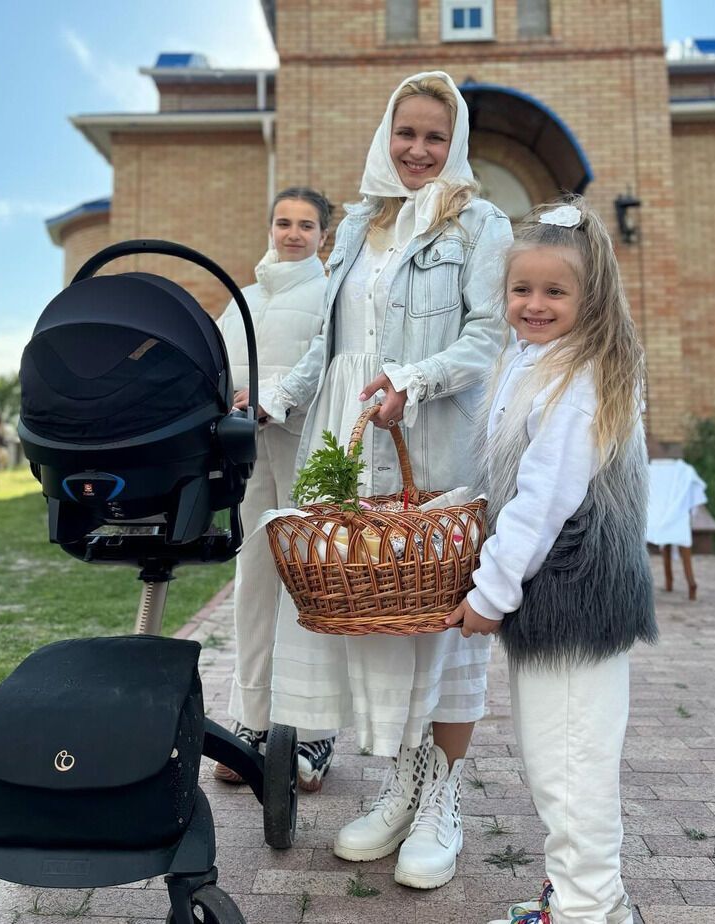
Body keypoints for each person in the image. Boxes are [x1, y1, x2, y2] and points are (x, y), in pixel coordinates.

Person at [256, 71, 511, 889]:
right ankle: (402, 782)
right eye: (408, 133)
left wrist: (417, 380)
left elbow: (487, 336)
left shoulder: (478, 222)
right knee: (380, 616)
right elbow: (327, 349)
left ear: (455, 141)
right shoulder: (359, 222)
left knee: (438, 615)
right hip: (346, 429)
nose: (419, 150)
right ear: (386, 133)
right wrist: (270, 401)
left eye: (436, 136)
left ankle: (443, 794)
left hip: (426, 435)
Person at [453, 199, 654, 924]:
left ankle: (589, 909)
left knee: (572, 765)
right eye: (522, 290)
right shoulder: (536, 362)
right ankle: (579, 893)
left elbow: (543, 498)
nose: (534, 304)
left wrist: (489, 591)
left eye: (555, 291)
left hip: (575, 591)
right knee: (559, 757)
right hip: (554, 596)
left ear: (589, 296)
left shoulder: (579, 377)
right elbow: (503, 476)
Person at [212, 187, 335, 792]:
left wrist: (276, 401)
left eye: (306, 224)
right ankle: (250, 723)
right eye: (283, 222)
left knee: (307, 580)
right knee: (254, 580)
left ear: (323, 235)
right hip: (247, 453)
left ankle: (312, 732)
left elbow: (328, 361)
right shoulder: (241, 301)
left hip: (305, 446)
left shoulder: (329, 294)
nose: (292, 233)